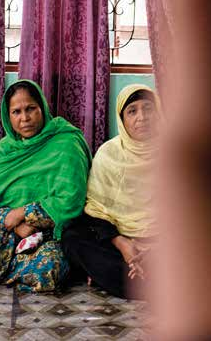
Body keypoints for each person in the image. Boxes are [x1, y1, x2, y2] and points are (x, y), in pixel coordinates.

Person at [0, 79, 91, 293]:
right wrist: (15, 223)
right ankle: (17, 271)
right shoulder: (4, 150)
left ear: (43, 108)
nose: (25, 118)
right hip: (9, 227)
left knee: (48, 270)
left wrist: (24, 213)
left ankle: (4, 270)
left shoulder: (66, 143)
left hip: (50, 232)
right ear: (8, 117)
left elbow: (71, 200)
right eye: (16, 112)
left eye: (31, 109)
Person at [62, 84, 160, 299]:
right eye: (132, 111)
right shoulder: (109, 153)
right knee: (72, 236)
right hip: (118, 240)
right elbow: (96, 210)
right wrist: (123, 243)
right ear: (121, 119)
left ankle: (123, 279)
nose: (142, 117)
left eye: (148, 108)